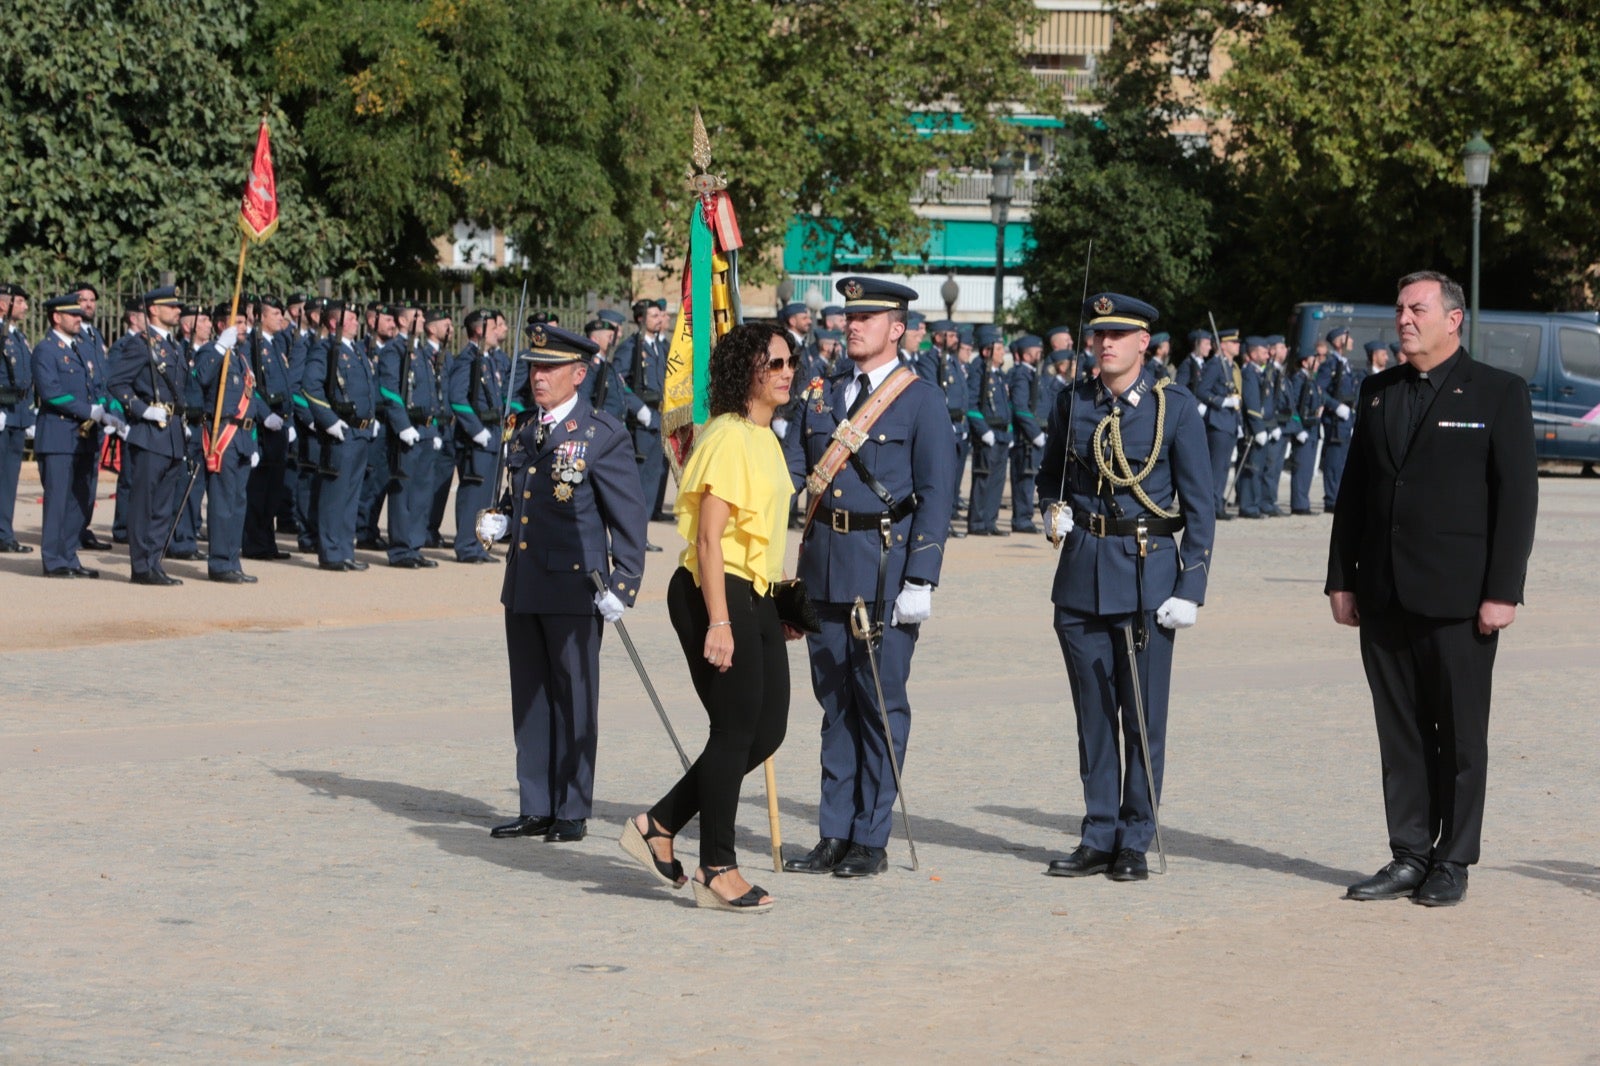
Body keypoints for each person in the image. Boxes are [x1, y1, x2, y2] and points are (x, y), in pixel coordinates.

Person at [1327, 270, 1537, 907]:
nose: (1403, 319)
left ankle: (1454, 860)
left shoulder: (1499, 393)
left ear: (1454, 319)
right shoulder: (1377, 390)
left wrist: (1503, 591)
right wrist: (1341, 579)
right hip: (1385, 593)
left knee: (1461, 737)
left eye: (1417, 308)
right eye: (1399, 309)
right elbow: (1355, 494)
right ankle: (1409, 853)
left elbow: (1517, 500)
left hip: (1460, 599)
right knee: (1401, 733)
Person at [1035, 292, 1215, 882]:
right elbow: (1048, 476)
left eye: (1118, 335)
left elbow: (1201, 506)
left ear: (1144, 343)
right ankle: (1098, 832)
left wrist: (1191, 586)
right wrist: (1051, 509)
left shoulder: (1174, 408)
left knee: (1140, 718)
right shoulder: (1073, 402)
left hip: (1146, 577)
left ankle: (1135, 835)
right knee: (1092, 717)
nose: (1104, 344)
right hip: (1083, 574)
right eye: (1097, 335)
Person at [619, 323, 799, 911]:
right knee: (734, 728)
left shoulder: (765, 437)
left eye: (790, 361)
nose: (787, 370)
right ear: (747, 370)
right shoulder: (724, 437)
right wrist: (720, 622)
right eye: (775, 362)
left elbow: (761, 533)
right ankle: (716, 868)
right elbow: (710, 541)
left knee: (766, 730)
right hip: (711, 591)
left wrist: (780, 598)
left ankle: (659, 824)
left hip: (755, 591)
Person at [781, 276, 955, 878]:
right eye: (849, 316)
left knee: (878, 704)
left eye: (868, 318)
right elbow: (796, 472)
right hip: (825, 564)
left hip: (884, 568)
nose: (852, 325)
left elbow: (936, 496)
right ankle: (833, 831)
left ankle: (870, 837)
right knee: (834, 706)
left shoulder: (921, 400)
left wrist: (921, 579)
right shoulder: (822, 394)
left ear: (897, 328)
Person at [486, 324, 648, 845]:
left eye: (550, 368)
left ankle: (572, 807)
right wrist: (503, 519)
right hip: (526, 583)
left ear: (578, 374)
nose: (539, 376)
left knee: (574, 696)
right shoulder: (522, 427)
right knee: (530, 697)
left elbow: (629, 518)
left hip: (577, 585)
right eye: (534, 366)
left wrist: (623, 585)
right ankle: (536, 803)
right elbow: (525, 496)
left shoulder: (601, 434)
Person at [109, 285, 191, 586]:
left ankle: (155, 561)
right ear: (153, 310)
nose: (177, 310)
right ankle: (141, 565)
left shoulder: (173, 345)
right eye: (171, 306)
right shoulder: (141, 344)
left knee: (163, 506)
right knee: (144, 503)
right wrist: (141, 410)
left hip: (171, 434)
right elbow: (117, 383)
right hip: (149, 432)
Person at [303, 301, 379, 572]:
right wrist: (329, 420)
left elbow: (368, 388)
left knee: (351, 494)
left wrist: (372, 418)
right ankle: (331, 552)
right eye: (351, 318)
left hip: (360, 431)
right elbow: (310, 387)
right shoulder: (324, 349)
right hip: (341, 432)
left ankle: (345, 550)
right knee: (335, 494)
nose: (357, 322)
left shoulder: (355, 350)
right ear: (334, 323)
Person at [193, 314, 267, 583]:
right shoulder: (211, 352)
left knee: (238, 503)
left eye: (245, 321)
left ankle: (233, 560)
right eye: (237, 321)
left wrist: (255, 441)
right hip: (224, 433)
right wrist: (218, 348)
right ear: (221, 326)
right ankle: (220, 563)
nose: (243, 326)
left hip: (244, 436)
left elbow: (251, 401)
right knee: (222, 503)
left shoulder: (242, 358)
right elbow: (200, 378)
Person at [378, 305, 445, 569]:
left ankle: (414, 546)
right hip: (408, 430)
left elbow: (432, 394)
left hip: (426, 430)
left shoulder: (420, 351)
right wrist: (402, 425)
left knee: (421, 492)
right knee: (404, 492)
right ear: (404, 320)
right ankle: (400, 549)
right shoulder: (394, 350)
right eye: (417, 316)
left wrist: (435, 427)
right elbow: (389, 389)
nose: (423, 320)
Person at [446, 309, 507, 564]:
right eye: (493, 327)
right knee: (474, 493)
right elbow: (457, 398)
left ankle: (480, 544)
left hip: (492, 433)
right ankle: (467, 545)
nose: (497, 332)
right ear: (479, 330)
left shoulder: (487, 359)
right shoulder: (468, 360)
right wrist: (476, 429)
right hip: (477, 437)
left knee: (488, 495)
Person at [614, 298, 671, 533]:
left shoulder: (660, 347)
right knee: (638, 480)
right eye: (654, 315)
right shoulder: (632, 347)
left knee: (652, 478)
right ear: (640, 319)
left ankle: (641, 531)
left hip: (659, 418)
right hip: (641, 421)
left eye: (660, 315)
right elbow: (619, 383)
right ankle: (631, 531)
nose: (660, 319)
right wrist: (639, 409)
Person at [965, 324, 1011, 536]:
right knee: (983, 479)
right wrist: (983, 431)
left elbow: (1005, 405)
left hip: (1001, 433)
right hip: (988, 433)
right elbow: (971, 404)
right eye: (999, 349)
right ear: (986, 351)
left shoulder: (999, 375)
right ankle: (977, 523)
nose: (1002, 353)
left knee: (997, 482)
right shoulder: (978, 371)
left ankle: (990, 521)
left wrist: (1009, 431)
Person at [0, 283, 35, 553]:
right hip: (2, 412)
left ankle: (5, 532)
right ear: (4, 303)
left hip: (17, 414)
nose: (25, 307)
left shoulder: (17, 336)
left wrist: (30, 411)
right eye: (20, 301)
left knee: (10, 478)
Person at [1318, 326, 1359, 511]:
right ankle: (1332, 500)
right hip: (1335, 420)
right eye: (1347, 337)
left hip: (1347, 418)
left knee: (1343, 460)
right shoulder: (1330, 365)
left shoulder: (1345, 364)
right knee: (1334, 461)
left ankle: (1338, 497)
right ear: (1337, 342)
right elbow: (1319, 391)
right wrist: (1336, 407)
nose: (1351, 341)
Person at [1007, 334, 1045, 533]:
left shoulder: (1030, 373)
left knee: (1029, 480)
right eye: (1036, 351)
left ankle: (1025, 517)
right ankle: (1022, 519)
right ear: (1026, 354)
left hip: (1029, 437)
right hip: (1025, 439)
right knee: (1024, 480)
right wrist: (1035, 433)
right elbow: (1020, 407)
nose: (1040, 353)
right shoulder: (1022, 374)